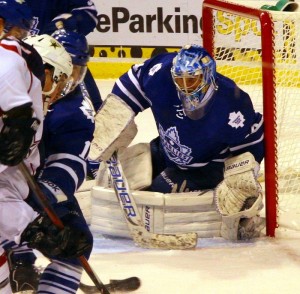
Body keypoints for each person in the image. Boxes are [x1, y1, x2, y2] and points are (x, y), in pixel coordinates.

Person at [89, 44, 265, 240]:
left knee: (157, 190)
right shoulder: (162, 73)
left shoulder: (232, 104)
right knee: (120, 175)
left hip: (207, 168)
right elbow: (132, 82)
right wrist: (116, 115)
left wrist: (241, 178)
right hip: (167, 151)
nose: (184, 87)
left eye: (191, 80)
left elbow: (251, 144)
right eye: (179, 80)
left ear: (207, 76)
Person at [4, 32, 96, 293]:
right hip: (7, 182)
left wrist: (44, 194)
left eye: (75, 74)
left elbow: (69, 163)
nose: (66, 86)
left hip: (38, 183)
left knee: (75, 241)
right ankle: (19, 260)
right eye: (61, 78)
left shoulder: (75, 111)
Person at [26, 0, 102, 112]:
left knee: (73, 63)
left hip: (53, 62)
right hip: (16, 66)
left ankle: (94, 109)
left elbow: (88, 13)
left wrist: (65, 23)